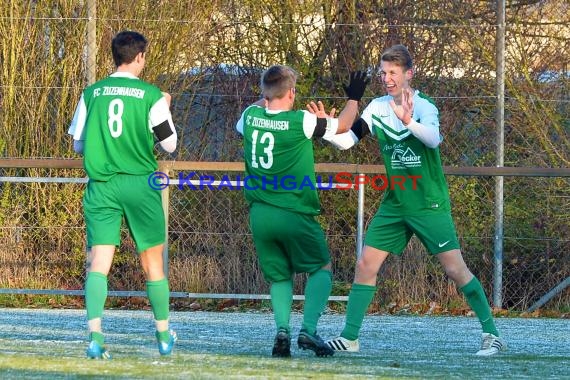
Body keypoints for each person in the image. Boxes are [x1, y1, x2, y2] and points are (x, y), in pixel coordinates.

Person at [308, 44, 506, 356]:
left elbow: (433, 138)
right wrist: (324, 128)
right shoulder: (376, 107)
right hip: (395, 203)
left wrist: (408, 120)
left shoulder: (424, 107)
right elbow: (346, 142)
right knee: (365, 265)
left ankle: (491, 334)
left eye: (393, 73)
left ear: (408, 74)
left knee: (456, 270)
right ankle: (350, 338)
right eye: (383, 72)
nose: (386, 78)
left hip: (429, 203)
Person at [235, 65, 369, 357]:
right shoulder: (302, 122)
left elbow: (256, 109)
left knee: (280, 277)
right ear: (292, 93)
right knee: (320, 267)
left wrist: (267, 96)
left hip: (260, 214)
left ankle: (282, 330)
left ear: (264, 93)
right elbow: (345, 125)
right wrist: (354, 98)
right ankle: (308, 331)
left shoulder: (249, 117)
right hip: (293, 211)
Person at [68, 30, 178, 359]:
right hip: (139, 184)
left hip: (102, 185)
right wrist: (166, 106)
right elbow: (170, 144)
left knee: (98, 263)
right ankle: (162, 336)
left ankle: (96, 337)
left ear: (114, 57)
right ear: (140, 57)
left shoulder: (92, 93)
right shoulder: (150, 95)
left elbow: (78, 143)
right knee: (152, 263)